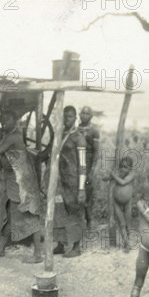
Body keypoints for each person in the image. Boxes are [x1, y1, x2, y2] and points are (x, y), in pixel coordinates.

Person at [0, 109, 43, 263]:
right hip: (13, 180)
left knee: (30, 215)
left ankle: (38, 255)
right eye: (2, 120)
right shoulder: (8, 136)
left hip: (21, 182)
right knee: (10, 213)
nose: (3, 122)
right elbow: (0, 159)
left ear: (15, 121)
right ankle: (1, 248)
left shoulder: (13, 137)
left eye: (7, 119)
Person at [46, 105, 86, 258]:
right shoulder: (58, 135)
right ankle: (61, 244)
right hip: (59, 181)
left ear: (75, 118)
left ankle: (76, 247)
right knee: (59, 210)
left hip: (73, 181)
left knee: (74, 212)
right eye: (64, 117)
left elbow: (83, 166)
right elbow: (49, 153)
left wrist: (82, 189)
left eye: (69, 116)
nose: (66, 119)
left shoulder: (79, 139)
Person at [77, 106, 100, 230]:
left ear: (91, 116)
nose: (84, 115)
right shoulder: (75, 130)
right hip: (77, 165)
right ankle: (78, 221)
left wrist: (92, 171)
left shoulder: (94, 131)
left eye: (87, 113)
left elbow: (96, 152)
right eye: (82, 113)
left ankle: (89, 220)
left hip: (88, 164)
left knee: (88, 193)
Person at [110, 156, 135, 252]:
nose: (123, 169)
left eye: (125, 167)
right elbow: (107, 177)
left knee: (128, 223)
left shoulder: (132, 174)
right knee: (122, 223)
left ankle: (127, 241)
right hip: (116, 202)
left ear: (130, 169)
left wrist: (114, 176)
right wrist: (110, 175)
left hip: (127, 202)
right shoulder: (119, 174)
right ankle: (126, 243)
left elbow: (123, 182)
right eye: (121, 167)